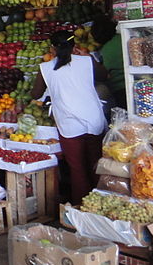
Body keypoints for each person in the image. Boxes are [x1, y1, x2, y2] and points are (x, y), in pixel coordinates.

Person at [30, 30, 108, 204]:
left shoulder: (46, 68)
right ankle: (101, 204)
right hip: (92, 119)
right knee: (95, 164)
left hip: (69, 124)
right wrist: (88, 56)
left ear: (52, 48)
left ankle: (81, 206)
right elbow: (104, 75)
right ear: (74, 46)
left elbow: (35, 94)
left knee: (77, 168)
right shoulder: (87, 61)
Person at [91, 16, 126, 109]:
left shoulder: (106, 50)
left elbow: (105, 74)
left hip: (119, 88)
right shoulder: (123, 37)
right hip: (133, 82)